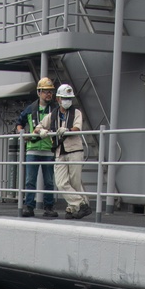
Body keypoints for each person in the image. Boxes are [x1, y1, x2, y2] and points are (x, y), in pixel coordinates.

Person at [16, 77, 58, 217]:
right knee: (30, 181)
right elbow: (19, 122)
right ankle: (29, 207)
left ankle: (49, 207)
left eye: (50, 92)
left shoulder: (55, 110)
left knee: (49, 181)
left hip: (48, 149)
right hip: (32, 148)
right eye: (46, 92)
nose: (48, 95)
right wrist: (22, 133)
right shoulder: (30, 109)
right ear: (39, 92)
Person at [53, 84, 91, 219]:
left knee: (75, 182)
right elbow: (40, 126)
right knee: (61, 182)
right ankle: (82, 204)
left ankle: (72, 208)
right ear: (58, 99)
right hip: (60, 151)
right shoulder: (53, 114)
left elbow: (77, 127)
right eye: (64, 98)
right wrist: (41, 131)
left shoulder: (77, 113)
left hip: (74, 150)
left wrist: (68, 130)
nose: (67, 100)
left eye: (69, 98)